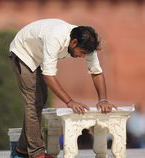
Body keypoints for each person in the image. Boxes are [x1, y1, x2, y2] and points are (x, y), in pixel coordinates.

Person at [9, 19, 116, 158]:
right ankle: (36, 153)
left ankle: (21, 151)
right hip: (23, 52)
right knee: (34, 102)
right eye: (81, 52)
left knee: (41, 100)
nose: (82, 56)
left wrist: (103, 99)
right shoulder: (55, 37)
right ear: (73, 43)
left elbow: (96, 72)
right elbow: (49, 76)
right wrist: (70, 102)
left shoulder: (87, 43)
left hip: (38, 56)